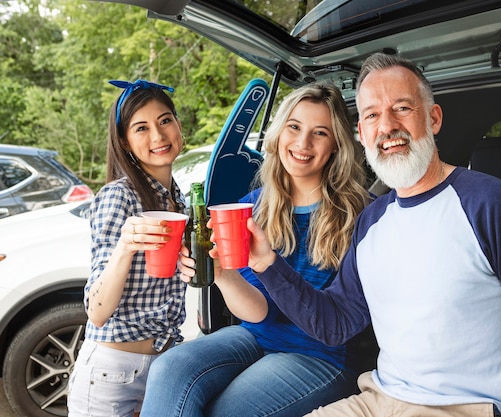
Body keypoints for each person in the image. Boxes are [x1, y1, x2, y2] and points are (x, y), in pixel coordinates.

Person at [239, 53, 501, 417]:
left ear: (434, 118)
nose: (387, 126)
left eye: (402, 108)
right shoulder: (371, 219)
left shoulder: (492, 205)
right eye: (372, 115)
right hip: (379, 399)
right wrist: (267, 263)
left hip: (469, 407)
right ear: (361, 133)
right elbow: (336, 324)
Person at [140, 81, 373, 417]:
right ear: (278, 134)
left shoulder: (361, 215)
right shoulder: (252, 208)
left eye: (319, 132)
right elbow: (258, 313)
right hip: (255, 336)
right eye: (294, 127)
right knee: (169, 369)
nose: (303, 143)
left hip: (321, 355)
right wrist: (221, 273)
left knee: (224, 412)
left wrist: (268, 262)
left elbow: (340, 323)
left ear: (337, 144)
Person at [67, 80, 188, 417]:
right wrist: (125, 246)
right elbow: (97, 311)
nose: (158, 136)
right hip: (112, 373)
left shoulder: (177, 199)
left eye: (165, 121)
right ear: (124, 140)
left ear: (178, 124)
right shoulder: (118, 196)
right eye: (141, 128)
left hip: (163, 367)